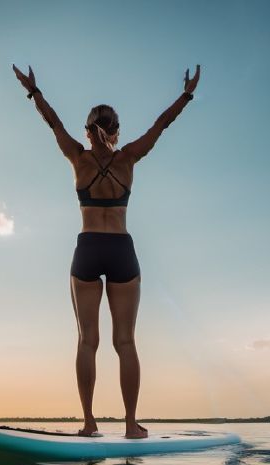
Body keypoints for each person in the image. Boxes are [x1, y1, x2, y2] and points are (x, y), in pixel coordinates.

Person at [12, 63, 200, 439]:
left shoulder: (78, 158)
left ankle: (89, 423)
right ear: (116, 131)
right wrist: (186, 95)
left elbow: (53, 124)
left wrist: (34, 92)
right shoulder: (128, 157)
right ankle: (131, 425)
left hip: (88, 247)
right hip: (120, 250)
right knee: (126, 342)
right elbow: (161, 125)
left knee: (87, 341)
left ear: (88, 130)